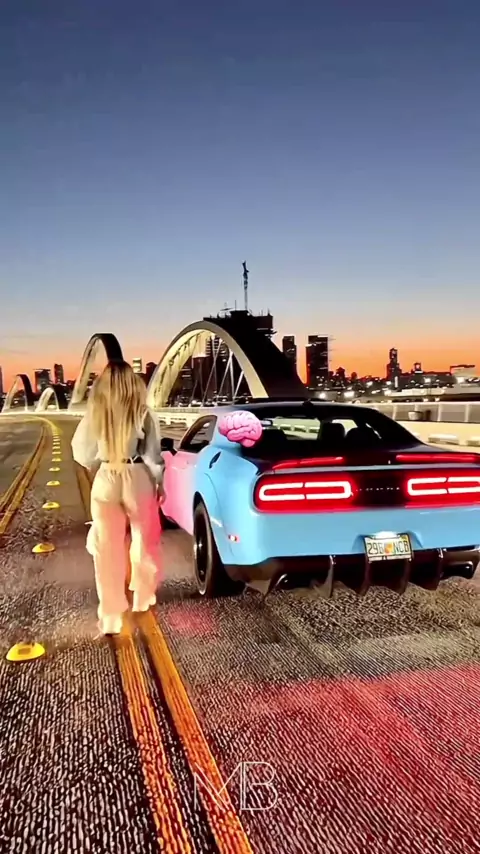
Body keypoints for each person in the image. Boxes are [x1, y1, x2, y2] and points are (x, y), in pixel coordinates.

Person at [71, 360, 164, 635]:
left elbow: (81, 452)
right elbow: (152, 455)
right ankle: (142, 595)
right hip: (136, 475)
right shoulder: (142, 411)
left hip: (106, 476)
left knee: (106, 549)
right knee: (144, 540)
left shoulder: (96, 412)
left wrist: (100, 462)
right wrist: (160, 483)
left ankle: (111, 615)